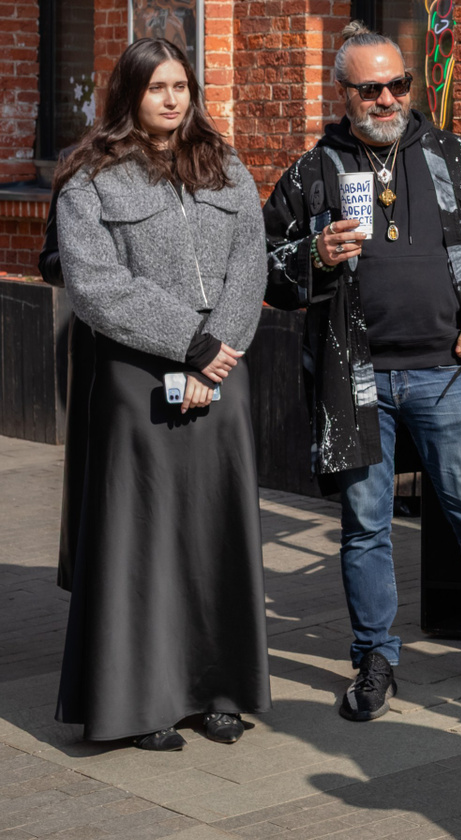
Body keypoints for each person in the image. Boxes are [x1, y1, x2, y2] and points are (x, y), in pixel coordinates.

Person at [263, 23, 461, 721]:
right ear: (343, 93)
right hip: (354, 379)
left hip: (446, 371)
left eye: (399, 84)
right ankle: (374, 659)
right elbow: (264, 267)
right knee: (366, 524)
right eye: (371, 89)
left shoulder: (454, 157)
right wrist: (315, 254)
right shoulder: (312, 172)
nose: (388, 99)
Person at [53, 39, 270, 751]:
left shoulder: (226, 165)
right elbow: (95, 284)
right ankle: (143, 702)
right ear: (130, 94)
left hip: (223, 371)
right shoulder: (89, 177)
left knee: (216, 533)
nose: (172, 99)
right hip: (136, 375)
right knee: (141, 541)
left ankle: (220, 690)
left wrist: (217, 351)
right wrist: (188, 342)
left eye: (181, 86)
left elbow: (250, 262)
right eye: (157, 88)